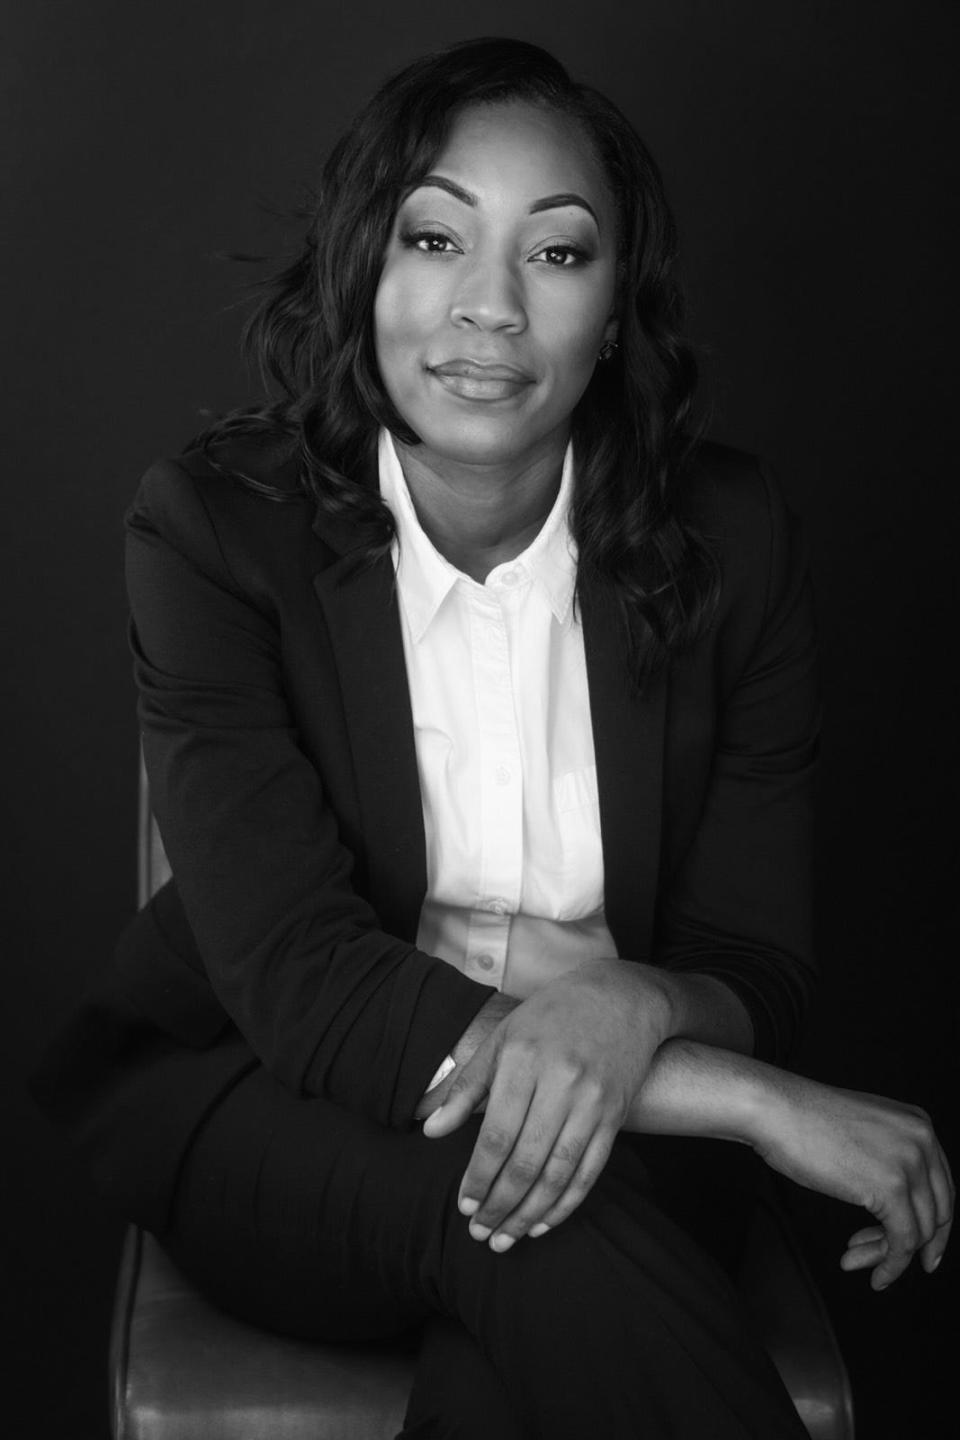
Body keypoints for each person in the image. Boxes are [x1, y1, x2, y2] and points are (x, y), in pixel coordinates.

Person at [31, 36, 952, 1440]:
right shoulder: (216, 530)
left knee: (533, 1304)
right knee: (530, 1226)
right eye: (434, 235)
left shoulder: (735, 541)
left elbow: (754, 955)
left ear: (616, 311)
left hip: (633, 1137)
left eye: (558, 255)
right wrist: (757, 1105)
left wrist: (627, 1007)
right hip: (276, 1108)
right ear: (364, 268)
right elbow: (305, 985)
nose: (489, 307)